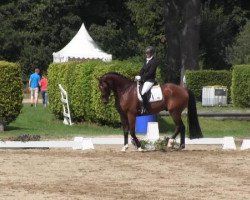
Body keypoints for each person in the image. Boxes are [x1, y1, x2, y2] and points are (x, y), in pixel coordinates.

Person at [135, 46, 158, 114]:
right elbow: (143, 69)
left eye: (148, 53)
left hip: (150, 80)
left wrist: (141, 77)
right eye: (146, 53)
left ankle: (145, 107)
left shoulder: (154, 62)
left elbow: (150, 73)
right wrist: (138, 75)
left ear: (151, 53)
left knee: (143, 92)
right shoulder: (146, 61)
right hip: (145, 80)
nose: (146, 54)